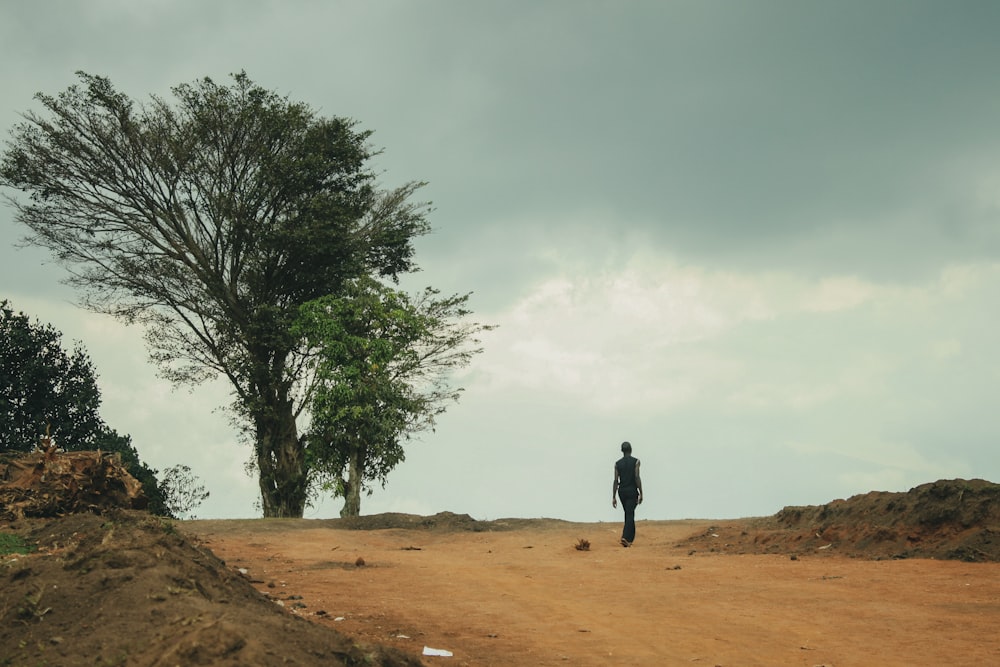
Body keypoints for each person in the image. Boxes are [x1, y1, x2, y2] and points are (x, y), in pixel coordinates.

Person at [612, 441, 643, 547]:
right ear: (631, 449)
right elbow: (637, 477)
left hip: (622, 492)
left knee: (628, 513)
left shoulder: (617, 464)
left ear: (622, 451)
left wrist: (613, 496)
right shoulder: (636, 462)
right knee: (629, 513)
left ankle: (629, 538)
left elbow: (616, 480)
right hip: (632, 491)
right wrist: (641, 492)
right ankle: (625, 537)